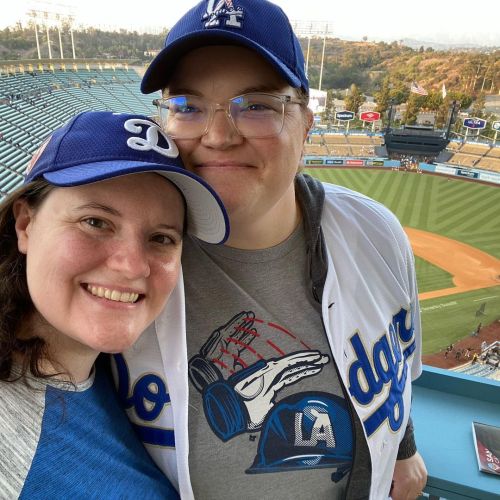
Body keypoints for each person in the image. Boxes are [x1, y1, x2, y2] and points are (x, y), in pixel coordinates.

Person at [118, 1, 427, 498]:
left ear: (305, 124)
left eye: (257, 104)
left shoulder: (377, 233)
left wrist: (406, 450)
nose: (217, 137)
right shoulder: (117, 271)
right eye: (188, 107)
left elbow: (399, 367)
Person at [0, 110, 229, 498]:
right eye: (95, 222)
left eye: (161, 238)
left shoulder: (111, 374)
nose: (132, 266)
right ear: (26, 224)